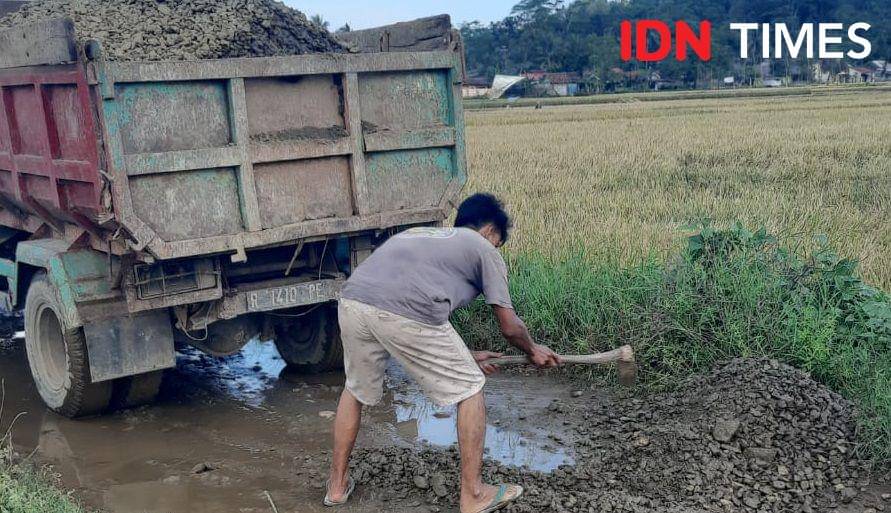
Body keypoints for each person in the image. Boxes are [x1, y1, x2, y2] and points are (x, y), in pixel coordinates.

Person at [324, 193, 561, 513]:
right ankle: (474, 495)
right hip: (406, 312)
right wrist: (533, 349)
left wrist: (463, 353)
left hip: (353, 302)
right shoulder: (483, 248)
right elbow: (509, 325)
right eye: (498, 242)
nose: (496, 248)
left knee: (354, 389)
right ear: (491, 231)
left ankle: (337, 487)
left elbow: (401, 308)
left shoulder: (422, 234)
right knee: (471, 387)